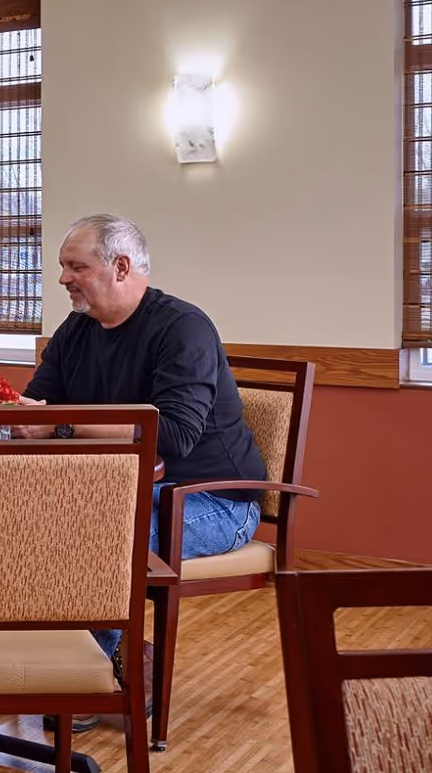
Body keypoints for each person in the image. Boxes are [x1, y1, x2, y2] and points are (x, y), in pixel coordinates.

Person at [17, 214, 265, 723]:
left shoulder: (183, 329)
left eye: (75, 267)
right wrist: (23, 417)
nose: (63, 278)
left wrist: (61, 427)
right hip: (118, 492)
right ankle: (69, 661)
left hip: (213, 498)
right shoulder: (77, 329)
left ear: (121, 267)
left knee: (104, 536)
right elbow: (40, 405)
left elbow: (172, 435)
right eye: (63, 266)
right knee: (28, 520)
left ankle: (85, 675)